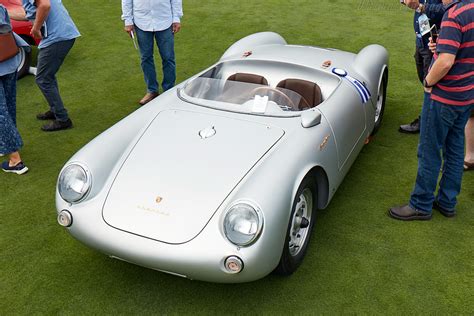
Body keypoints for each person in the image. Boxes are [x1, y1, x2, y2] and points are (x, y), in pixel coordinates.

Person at [390, 0, 474, 220]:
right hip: (466, 95)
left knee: (429, 149)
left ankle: (420, 204)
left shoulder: (454, 15)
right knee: (455, 151)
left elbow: (445, 62)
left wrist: (428, 82)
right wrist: (443, 47)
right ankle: (447, 202)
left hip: (444, 96)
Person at [9, 0, 80, 132]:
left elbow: (45, 5)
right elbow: (29, 13)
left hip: (58, 37)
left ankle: (63, 119)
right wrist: (5, 12)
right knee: (47, 76)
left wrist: (35, 28)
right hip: (61, 34)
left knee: (43, 78)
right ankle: (56, 110)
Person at [121, 0, 183, 105]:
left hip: (164, 20)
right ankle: (152, 90)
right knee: (146, 58)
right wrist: (128, 21)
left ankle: (169, 91)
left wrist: (176, 18)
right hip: (141, 21)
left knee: (168, 58)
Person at [399, 0, 445, 134]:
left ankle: (427, 122)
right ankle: (436, 114)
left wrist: (421, 7)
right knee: (424, 79)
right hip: (421, 40)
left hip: (433, 44)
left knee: (430, 84)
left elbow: (447, 9)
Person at [0, 5, 30, 174]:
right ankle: (6, 144)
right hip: (10, 62)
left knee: (2, 112)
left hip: (6, 61)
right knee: (8, 108)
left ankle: (15, 160)